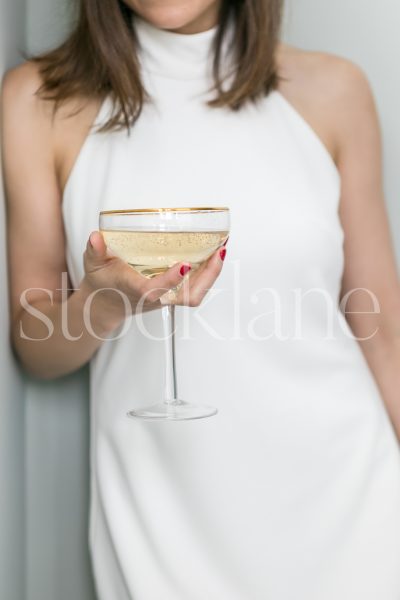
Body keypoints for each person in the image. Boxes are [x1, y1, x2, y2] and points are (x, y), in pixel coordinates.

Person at [2, 0, 400, 598]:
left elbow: (383, 327)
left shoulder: (336, 89)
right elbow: (35, 346)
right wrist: (102, 303)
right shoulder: (38, 99)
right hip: (163, 522)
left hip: (351, 503)